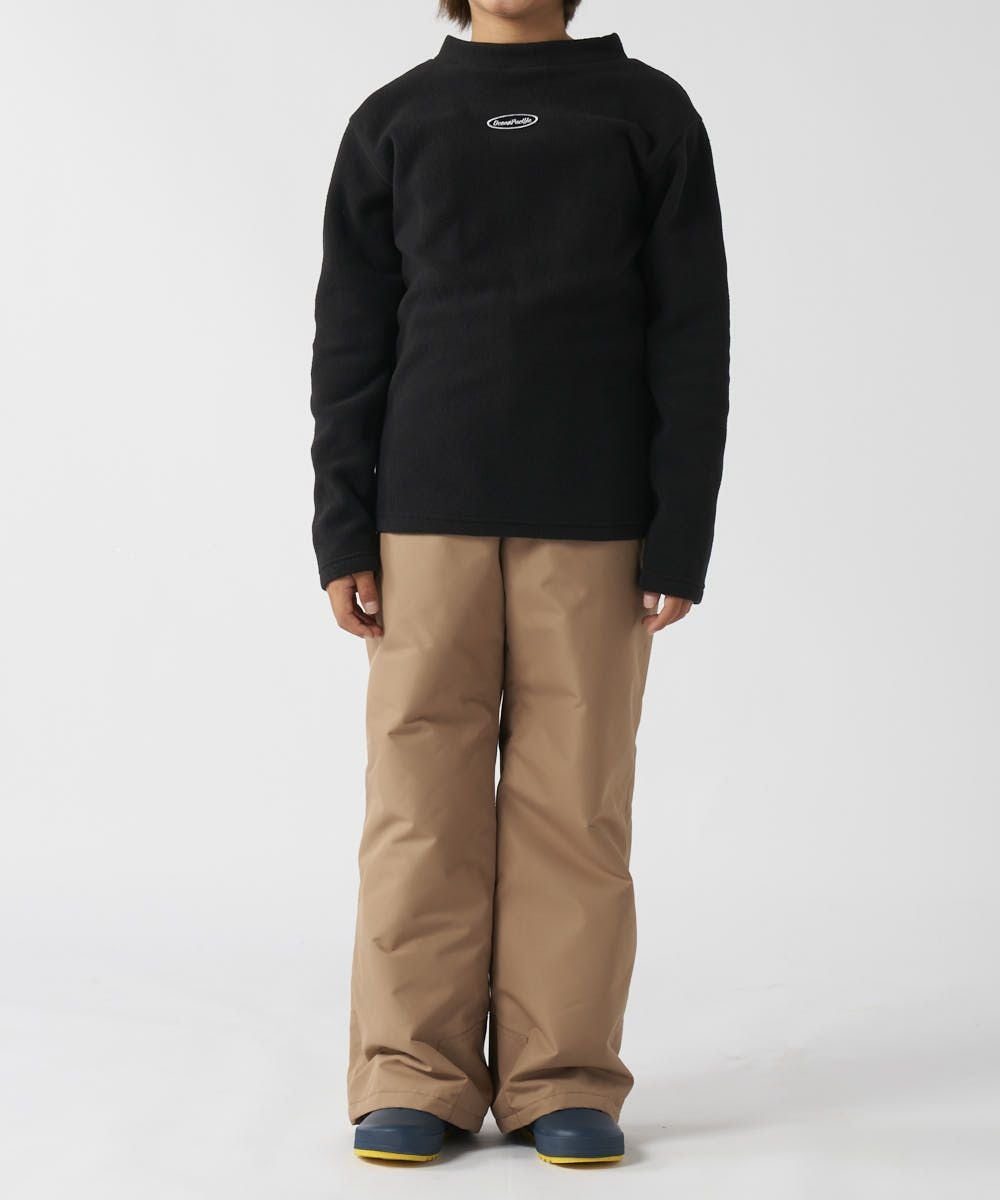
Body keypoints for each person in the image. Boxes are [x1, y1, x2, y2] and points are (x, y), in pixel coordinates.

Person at [309, 0, 730, 1167]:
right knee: (418, 803)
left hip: (596, 524)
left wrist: (679, 532)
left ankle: (562, 1076)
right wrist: (341, 525)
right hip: (421, 523)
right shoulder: (395, 121)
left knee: (574, 805)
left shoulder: (648, 117)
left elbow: (691, 336)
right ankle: (412, 1072)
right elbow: (349, 339)